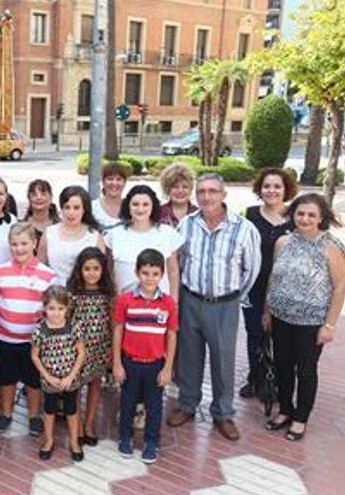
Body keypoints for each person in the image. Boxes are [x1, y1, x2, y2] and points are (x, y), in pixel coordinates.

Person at [167, 173, 260, 441]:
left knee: (223, 359)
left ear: (224, 194)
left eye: (212, 191)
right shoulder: (186, 225)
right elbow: (178, 262)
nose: (206, 197)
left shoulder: (243, 229)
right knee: (188, 356)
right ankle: (187, 404)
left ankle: (223, 413)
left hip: (224, 304)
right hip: (191, 300)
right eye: (202, 192)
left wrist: (232, 297)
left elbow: (251, 270)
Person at [263, 193, 345, 441]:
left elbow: (340, 286)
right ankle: (285, 409)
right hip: (281, 317)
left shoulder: (330, 247)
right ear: (293, 215)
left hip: (311, 323)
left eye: (311, 214)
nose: (305, 218)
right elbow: (274, 278)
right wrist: (267, 310)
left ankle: (300, 418)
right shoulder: (283, 242)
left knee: (306, 370)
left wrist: (330, 324)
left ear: (322, 217)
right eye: (300, 213)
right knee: (282, 366)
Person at [0, 222, 61, 437]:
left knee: (33, 380)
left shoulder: (48, 276)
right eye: (14, 244)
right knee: (6, 378)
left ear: (35, 243)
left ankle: (34, 416)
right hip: (4, 337)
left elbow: (51, 308)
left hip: (33, 341)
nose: (19, 249)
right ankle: (6, 413)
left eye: (24, 243)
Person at [113, 248, 178, 464]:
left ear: (162, 275)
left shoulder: (168, 303)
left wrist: (168, 367)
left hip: (156, 365)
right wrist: (117, 363)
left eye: (155, 274)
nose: (149, 279)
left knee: (154, 406)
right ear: (136, 272)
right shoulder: (126, 300)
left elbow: (171, 335)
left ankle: (152, 442)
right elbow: (118, 330)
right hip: (130, 363)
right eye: (145, 273)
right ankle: (125, 438)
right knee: (127, 403)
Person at [239, 168, 297, 399]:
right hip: (254, 287)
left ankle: (280, 382)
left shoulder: (296, 217)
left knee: (281, 337)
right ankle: (256, 378)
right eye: (266, 186)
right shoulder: (250, 215)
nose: (271, 191)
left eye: (277, 186)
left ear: (286, 190)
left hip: (286, 290)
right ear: (259, 189)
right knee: (255, 334)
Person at [31, 285, 86, 462]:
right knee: (49, 409)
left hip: (71, 378)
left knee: (72, 409)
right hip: (50, 379)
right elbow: (35, 356)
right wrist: (48, 377)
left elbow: (81, 353)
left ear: (67, 309)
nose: (56, 313)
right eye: (52, 308)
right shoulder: (40, 331)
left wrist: (71, 376)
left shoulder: (73, 328)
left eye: (60, 309)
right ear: (45, 308)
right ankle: (48, 440)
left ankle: (74, 441)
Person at [67, 247, 115, 445]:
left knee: (95, 383)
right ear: (80, 270)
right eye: (87, 269)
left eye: (96, 268)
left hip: (100, 347)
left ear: (103, 270)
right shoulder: (73, 293)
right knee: (76, 386)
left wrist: (112, 347)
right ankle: (76, 423)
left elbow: (113, 321)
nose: (92, 273)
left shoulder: (108, 293)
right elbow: (67, 320)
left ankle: (89, 423)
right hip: (78, 349)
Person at [105, 185, 182, 297]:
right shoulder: (114, 234)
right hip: (124, 306)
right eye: (135, 204)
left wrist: (174, 302)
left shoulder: (167, 233)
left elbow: (173, 271)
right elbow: (109, 271)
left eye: (145, 204)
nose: (140, 209)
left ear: (153, 206)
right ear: (128, 206)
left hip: (159, 307)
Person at [38, 185, 105, 284]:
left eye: (76, 208)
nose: (71, 212)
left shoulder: (94, 236)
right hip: (55, 294)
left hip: (84, 294)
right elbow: (40, 268)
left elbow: (102, 272)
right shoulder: (49, 233)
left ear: (84, 209)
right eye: (67, 207)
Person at [91, 162, 128, 231]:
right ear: (103, 181)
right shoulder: (92, 208)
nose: (114, 183)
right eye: (110, 179)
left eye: (119, 179)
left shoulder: (132, 208)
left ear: (124, 182)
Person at [22, 179, 60, 245]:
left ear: (51, 198)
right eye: (34, 194)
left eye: (43, 194)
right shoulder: (21, 226)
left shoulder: (60, 226)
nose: (39, 198)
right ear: (29, 199)